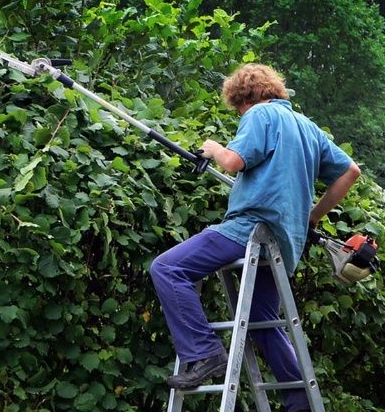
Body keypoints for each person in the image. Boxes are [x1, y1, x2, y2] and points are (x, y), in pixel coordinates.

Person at [149, 64, 361, 412]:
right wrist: (311, 217)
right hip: (284, 241)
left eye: (238, 108)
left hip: (249, 229)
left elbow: (233, 162)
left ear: (243, 98)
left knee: (168, 268)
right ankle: (300, 401)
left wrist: (213, 149)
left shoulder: (259, 114)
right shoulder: (308, 128)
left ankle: (204, 353)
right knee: (263, 321)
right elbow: (350, 172)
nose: (240, 114)